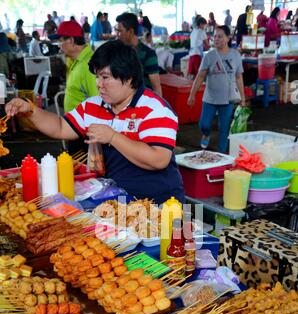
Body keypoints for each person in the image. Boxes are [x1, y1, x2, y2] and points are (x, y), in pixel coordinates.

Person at [5, 40, 185, 204]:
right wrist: (31, 111)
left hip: (159, 202)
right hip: (116, 199)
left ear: (129, 78)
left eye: (105, 77)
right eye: (97, 77)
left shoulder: (155, 109)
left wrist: (112, 137)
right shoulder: (93, 106)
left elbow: (158, 159)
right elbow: (60, 127)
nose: (99, 84)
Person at [187, 25, 245, 154]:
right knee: (204, 124)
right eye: (215, 36)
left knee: (224, 128)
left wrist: (243, 98)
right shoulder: (209, 56)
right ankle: (206, 134)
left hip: (228, 99)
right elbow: (200, 76)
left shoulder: (235, 55)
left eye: (220, 36)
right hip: (210, 98)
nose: (216, 39)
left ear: (228, 38)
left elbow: (239, 77)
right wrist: (192, 94)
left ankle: (221, 154)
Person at [116, 12, 162, 96]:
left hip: (142, 102)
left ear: (130, 31)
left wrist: (159, 107)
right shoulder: (118, 51)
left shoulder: (148, 54)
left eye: (120, 31)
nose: (117, 35)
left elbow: (156, 87)